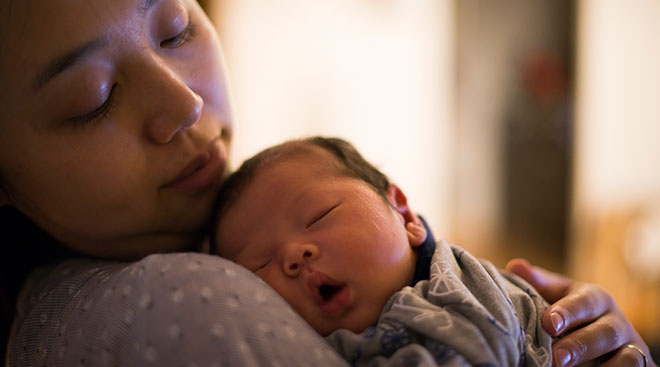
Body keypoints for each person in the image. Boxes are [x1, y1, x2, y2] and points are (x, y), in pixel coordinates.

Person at [0, 0, 653, 366]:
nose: (186, 105)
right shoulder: (164, 304)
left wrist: (599, 337)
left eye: (174, 29)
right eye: (95, 96)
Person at [211, 136, 556, 366]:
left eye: (320, 216)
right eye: (260, 265)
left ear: (404, 213)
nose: (293, 255)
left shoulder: (454, 291)